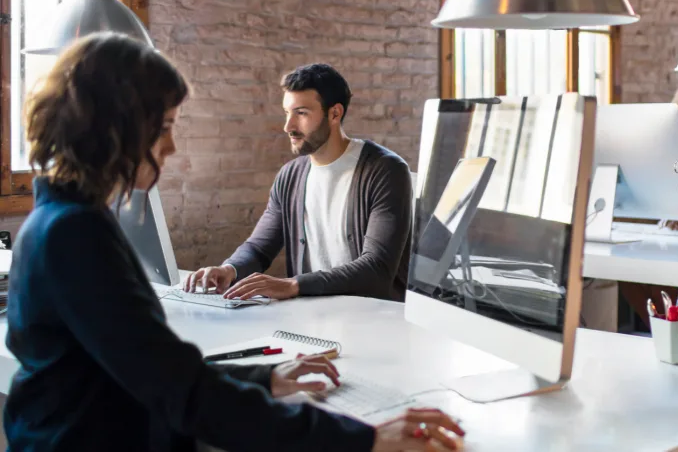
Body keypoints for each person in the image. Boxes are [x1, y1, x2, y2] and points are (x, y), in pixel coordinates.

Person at [4, 33, 464, 451]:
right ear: (119, 127)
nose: (172, 147)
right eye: (164, 127)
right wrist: (363, 441)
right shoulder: (75, 236)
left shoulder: (64, 221)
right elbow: (183, 391)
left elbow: (156, 373)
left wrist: (264, 377)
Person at [185, 64, 413, 302]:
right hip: (309, 317)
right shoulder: (290, 176)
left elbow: (376, 269)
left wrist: (294, 284)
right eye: (287, 112)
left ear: (335, 114)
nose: (288, 127)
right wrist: (229, 269)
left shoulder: (385, 170)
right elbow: (259, 248)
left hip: (372, 319)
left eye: (301, 113)